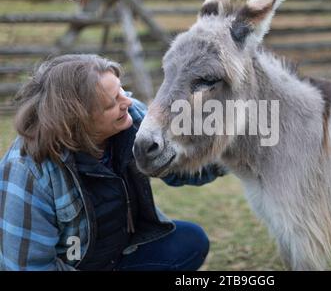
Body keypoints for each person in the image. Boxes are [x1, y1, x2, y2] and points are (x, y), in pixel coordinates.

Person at [0, 54, 226, 271]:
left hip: (119, 251)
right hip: (75, 265)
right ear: (76, 119)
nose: (127, 101)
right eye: (111, 103)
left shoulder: (133, 119)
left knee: (190, 242)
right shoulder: (28, 172)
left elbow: (176, 167)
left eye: (120, 89)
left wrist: (229, 155)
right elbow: (28, 266)